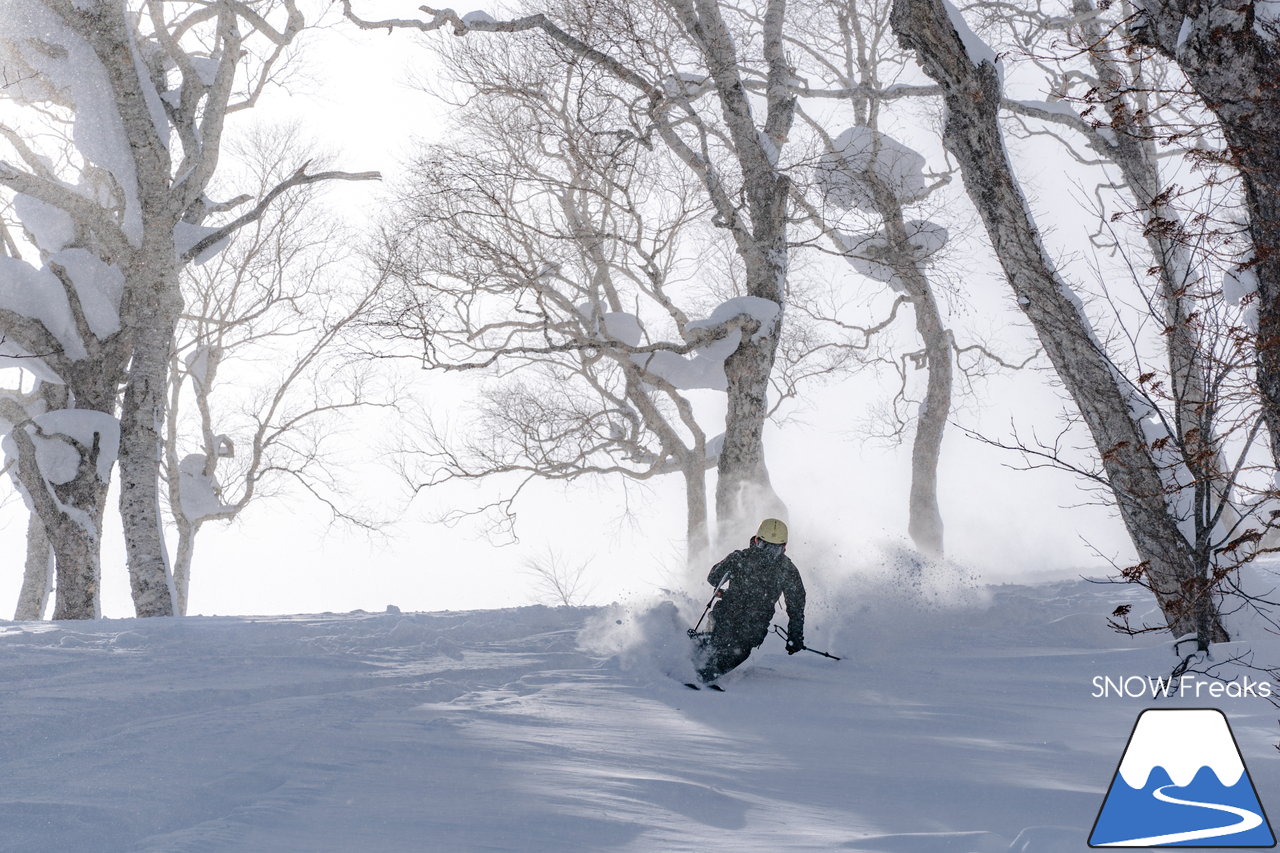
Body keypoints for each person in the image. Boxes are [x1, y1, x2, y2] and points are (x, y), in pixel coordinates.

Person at [694, 518, 806, 684]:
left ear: (784, 548)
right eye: (765, 546)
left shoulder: (786, 569)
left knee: (739, 650)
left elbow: (796, 604)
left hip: (754, 625)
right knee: (716, 640)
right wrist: (728, 564)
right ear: (756, 541)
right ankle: (688, 667)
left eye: (775, 549)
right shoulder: (741, 558)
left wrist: (795, 635)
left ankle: (706, 675)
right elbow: (713, 578)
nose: (768, 553)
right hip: (726, 614)